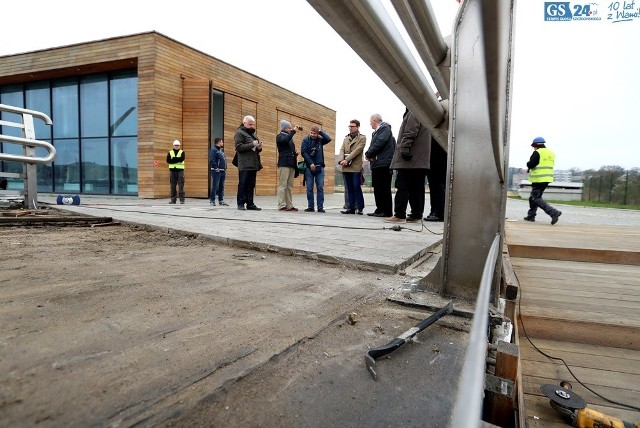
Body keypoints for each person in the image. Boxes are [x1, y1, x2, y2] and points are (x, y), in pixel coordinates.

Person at [384, 108, 430, 223]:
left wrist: (404, 148)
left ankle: (399, 215)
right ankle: (416, 215)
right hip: (420, 159)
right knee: (417, 188)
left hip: (410, 158)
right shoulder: (424, 112)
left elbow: (410, 131)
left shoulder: (414, 111)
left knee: (402, 185)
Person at [524, 136, 562, 224]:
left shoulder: (537, 152)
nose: (533, 147)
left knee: (535, 198)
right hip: (547, 178)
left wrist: (528, 164)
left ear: (536, 145)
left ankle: (553, 213)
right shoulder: (550, 153)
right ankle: (531, 216)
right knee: (532, 197)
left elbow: (532, 163)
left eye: (534, 146)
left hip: (539, 178)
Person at [364, 113, 395, 217]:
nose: (370, 124)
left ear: (375, 120)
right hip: (377, 164)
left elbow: (379, 143)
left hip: (384, 164)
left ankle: (386, 211)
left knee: (384, 188)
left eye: (370, 121)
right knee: (377, 188)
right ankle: (379, 209)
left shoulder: (384, 129)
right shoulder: (376, 132)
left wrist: (368, 153)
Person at [300, 125, 332, 212]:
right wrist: (310, 163)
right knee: (309, 188)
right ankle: (310, 206)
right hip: (309, 167)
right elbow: (304, 152)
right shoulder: (306, 140)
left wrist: (320, 132)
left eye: (315, 133)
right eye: (311, 133)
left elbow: (328, 139)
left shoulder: (320, 140)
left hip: (320, 167)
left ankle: (320, 207)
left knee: (320, 187)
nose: (313, 135)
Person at [234, 115, 263, 211]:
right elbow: (239, 147)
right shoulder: (239, 133)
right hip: (244, 164)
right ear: (244, 123)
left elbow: (255, 149)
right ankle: (240, 203)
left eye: (253, 124)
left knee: (251, 184)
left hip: (253, 164)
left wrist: (259, 148)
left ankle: (250, 204)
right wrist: (252, 144)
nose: (252, 126)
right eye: (250, 124)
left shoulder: (253, 134)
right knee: (243, 184)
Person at [339, 119, 366, 215]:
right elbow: (342, 149)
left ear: (358, 127)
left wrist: (347, 159)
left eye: (352, 126)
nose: (350, 128)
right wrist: (341, 160)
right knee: (349, 188)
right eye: (349, 126)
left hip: (355, 166)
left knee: (356, 186)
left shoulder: (362, 138)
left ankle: (360, 207)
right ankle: (350, 208)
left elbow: (357, 150)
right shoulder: (346, 138)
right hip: (345, 166)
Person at [276, 120, 301, 211]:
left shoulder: (290, 138)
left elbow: (287, 148)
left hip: (291, 164)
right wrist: (293, 131)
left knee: (289, 186)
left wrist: (295, 154)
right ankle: (281, 205)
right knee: (282, 185)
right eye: (290, 128)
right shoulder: (280, 136)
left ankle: (289, 205)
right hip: (284, 163)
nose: (291, 129)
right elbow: (285, 141)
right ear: (286, 128)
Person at [424, 137, 447, 222]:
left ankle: (438, 213)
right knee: (437, 186)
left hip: (436, 158)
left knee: (437, 186)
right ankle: (437, 212)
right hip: (439, 158)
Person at [208, 137, 228, 206]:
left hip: (222, 171)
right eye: (222, 142)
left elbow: (223, 161)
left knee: (221, 187)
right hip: (216, 171)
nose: (223, 143)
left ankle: (221, 201)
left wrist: (225, 169)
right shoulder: (214, 150)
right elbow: (212, 160)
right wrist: (216, 168)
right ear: (219, 142)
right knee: (215, 186)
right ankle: (212, 201)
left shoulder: (221, 151)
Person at [166, 139, 185, 204]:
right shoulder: (170, 152)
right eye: (175, 145)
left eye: (178, 145)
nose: (177, 146)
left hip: (180, 171)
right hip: (172, 171)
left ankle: (182, 200)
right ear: (173, 146)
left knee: (181, 185)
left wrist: (173, 159)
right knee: (173, 186)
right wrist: (177, 159)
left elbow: (182, 159)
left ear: (179, 146)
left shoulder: (182, 152)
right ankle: (173, 200)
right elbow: (168, 161)